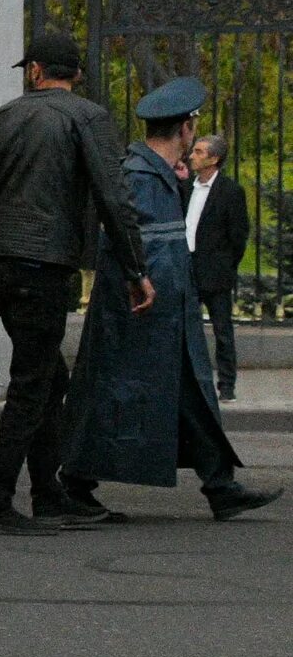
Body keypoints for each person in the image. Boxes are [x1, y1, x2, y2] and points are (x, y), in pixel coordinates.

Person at [56, 79, 277, 523]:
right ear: (186, 128)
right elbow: (132, 243)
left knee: (191, 397)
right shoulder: (139, 175)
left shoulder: (155, 175)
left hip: (165, 315)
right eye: (193, 124)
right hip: (139, 318)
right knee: (114, 396)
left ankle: (220, 486)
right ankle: (75, 484)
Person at [0, 30, 147, 533]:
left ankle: (49, 496)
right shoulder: (88, 117)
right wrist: (135, 269)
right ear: (76, 75)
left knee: (47, 379)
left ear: (35, 72)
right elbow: (114, 197)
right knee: (31, 387)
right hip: (44, 263)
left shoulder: (0, 120)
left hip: (6, 262)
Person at [188, 132, 249, 401]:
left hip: (215, 271)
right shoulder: (186, 186)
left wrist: (225, 265)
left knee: (222, 330)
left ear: (214, 159)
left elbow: (238, 235)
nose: (192, 155)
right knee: (185, 327)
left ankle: (227, 385)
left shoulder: (230, 191)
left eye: (199, 152)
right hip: (186, 265)